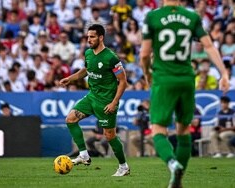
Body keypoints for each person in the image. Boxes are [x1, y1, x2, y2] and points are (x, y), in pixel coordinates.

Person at [140, 0, 230, 187]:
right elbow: (209, 46)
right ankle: (178, 179)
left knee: (158, 130)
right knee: (183, 130)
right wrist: (224, 73)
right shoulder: (192, 17)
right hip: (187, 79)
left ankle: (173, 164)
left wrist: (147, 73)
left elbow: (144, 54)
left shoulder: (153, 17)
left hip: (164, 79)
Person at [59, 24, 130, 176]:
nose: (89, 39)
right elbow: (86, 70)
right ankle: (84, 155)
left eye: (92, 37)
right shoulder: (88, 53)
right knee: (70, 119)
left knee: (109, 136)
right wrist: (70, 79)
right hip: (91, 96)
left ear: (101, 37)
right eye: (88, 36)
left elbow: (123, 82)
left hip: (106, 102)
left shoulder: (111, 58)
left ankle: (123, 166)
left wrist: (114, 102)